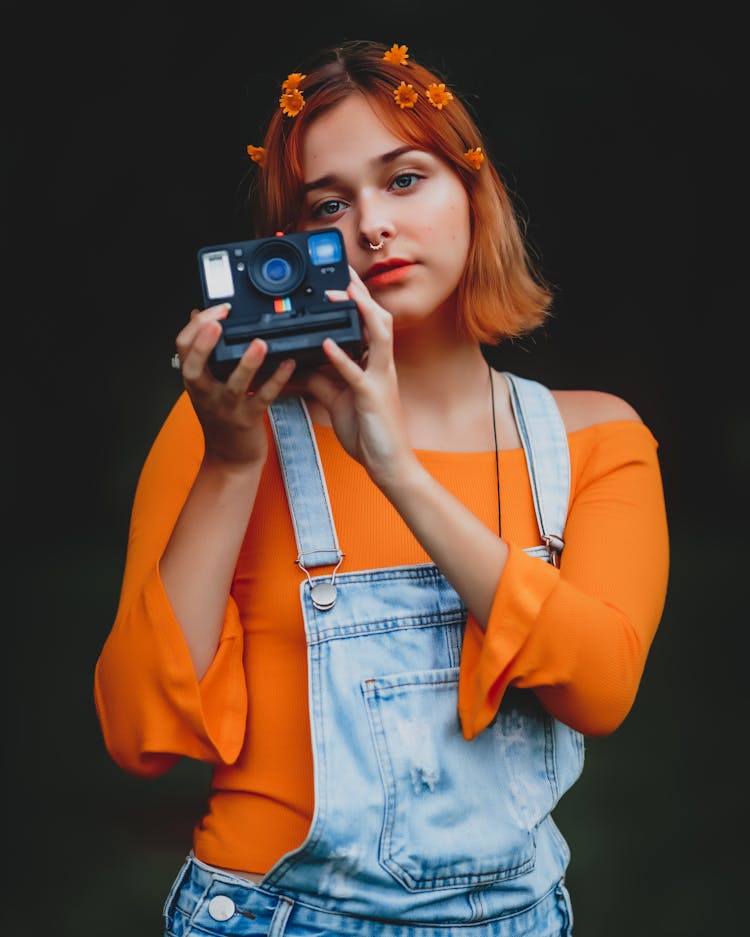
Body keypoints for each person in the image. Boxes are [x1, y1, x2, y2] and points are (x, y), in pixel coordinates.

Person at [93, 39, 669, 937]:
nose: (370, 226)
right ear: (291, 247)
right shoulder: (228, 427)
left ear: (475, 194)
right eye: (330, 203)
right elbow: (137, 734)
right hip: (265, 914)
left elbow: (597, 688)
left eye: (405, 179)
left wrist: (392, 464)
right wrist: (233, 463)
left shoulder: (594, 439)